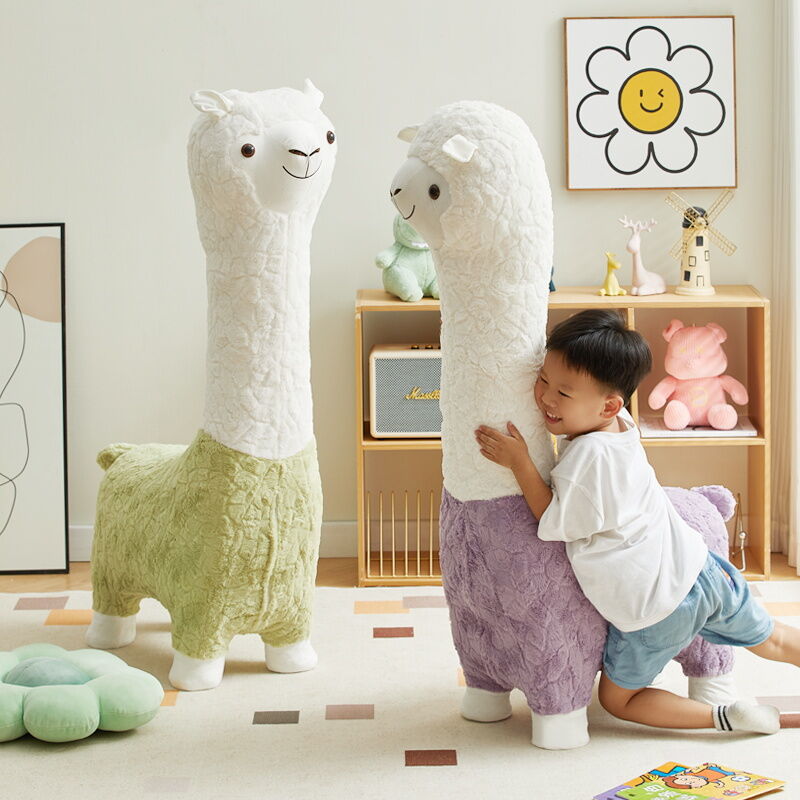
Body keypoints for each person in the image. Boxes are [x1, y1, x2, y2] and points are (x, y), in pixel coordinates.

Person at [475, 309, 799, 734]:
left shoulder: (588, 461)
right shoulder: (621, 424)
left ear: (609, 404)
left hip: (655, 609)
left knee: (618, 699)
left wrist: (520, 462)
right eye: (543, 380)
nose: (546, 398)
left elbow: (552, 520)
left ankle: (722, 717)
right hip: (704, 571)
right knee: (772, 638)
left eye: (564, 393)